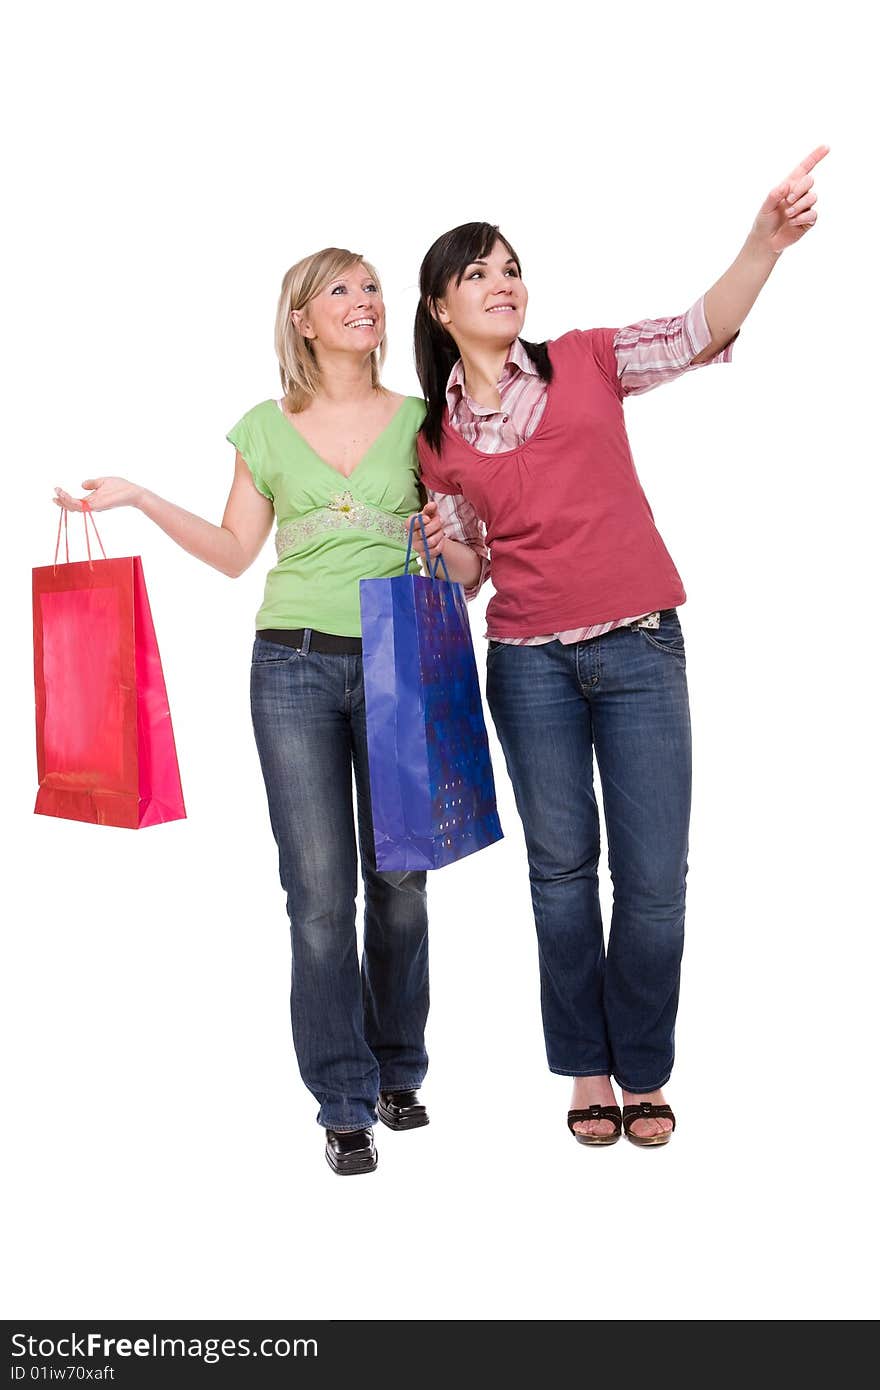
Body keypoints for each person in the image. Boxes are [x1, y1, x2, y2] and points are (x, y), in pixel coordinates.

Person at [409, 147, 828, 1147]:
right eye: (477, 272)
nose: (503, 282)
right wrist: (450, 545)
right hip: (528, 665)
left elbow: (701, 327)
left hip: (640, 653)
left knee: (651, 881)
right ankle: (587, 1069)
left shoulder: (589, 359)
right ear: (439, 309)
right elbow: (469, 575)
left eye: (510, 265)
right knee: (560, 876)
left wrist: (760, 243)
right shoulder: (434, 440)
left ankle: (643, 1064)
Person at [54, 247, 433, 1176]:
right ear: (302, 319)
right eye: (341, 290)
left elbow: (460, 551)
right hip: (293, 668)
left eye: (372, 287)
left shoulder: (425, 421)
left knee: (401, 889)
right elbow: (233, 553)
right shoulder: (264, 428)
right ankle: (344, 1101)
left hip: (398, 660)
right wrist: (139, 496)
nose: (365, 301)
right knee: (316, 899)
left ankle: (398, 1069)